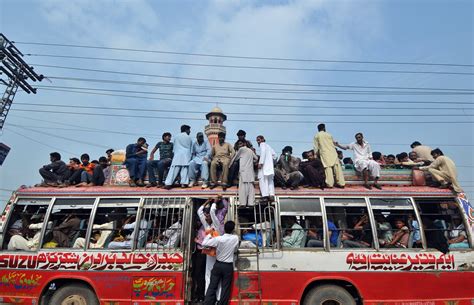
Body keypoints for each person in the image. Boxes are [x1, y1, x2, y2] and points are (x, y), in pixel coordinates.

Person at [203, 221, 239, 305]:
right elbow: (236, 249)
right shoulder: (235, 238)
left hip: (218, 265)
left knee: (212, 286)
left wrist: (210, 233)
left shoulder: (218, 239)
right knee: (225, 287)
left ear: (224, 228)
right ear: (233, 230)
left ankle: (208, 303)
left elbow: (204, 243)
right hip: (228, 266)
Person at [313, 124, 345, 188]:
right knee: (337, 168)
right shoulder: (329, 135)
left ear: (318, 129)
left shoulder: (317, 135)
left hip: (325, 154)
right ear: (324, 128)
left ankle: (330, 184)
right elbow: (334, 143)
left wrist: (315, 154)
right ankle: (341, 183)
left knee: (328, 168)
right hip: (333, 152)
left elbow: (315, 147)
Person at [230, 140, 258, 206]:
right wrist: (252, 161)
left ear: (244, 144)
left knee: (242, 189)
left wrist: (230, 165)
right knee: (251, 189)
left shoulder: (241, 149)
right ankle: (251, 203)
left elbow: (235, 158)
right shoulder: (250, 151)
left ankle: (243, 203)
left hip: (243, 172)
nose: (239, 145)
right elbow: (256, 158)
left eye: (240, 144)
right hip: (250, 172)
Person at [256, 135, 276, 203]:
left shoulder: (262, 144)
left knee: (262, 180)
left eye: (258, 140)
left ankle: (265, 196)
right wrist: (271, 162)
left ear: (263, 139)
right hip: (270, 167)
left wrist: (261, 163)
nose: (258, 142)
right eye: (257, 140)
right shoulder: (269, 146)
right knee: (270, 181)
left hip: (264, 166)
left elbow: (263, 152)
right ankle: (271, 195)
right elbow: (275, 156)